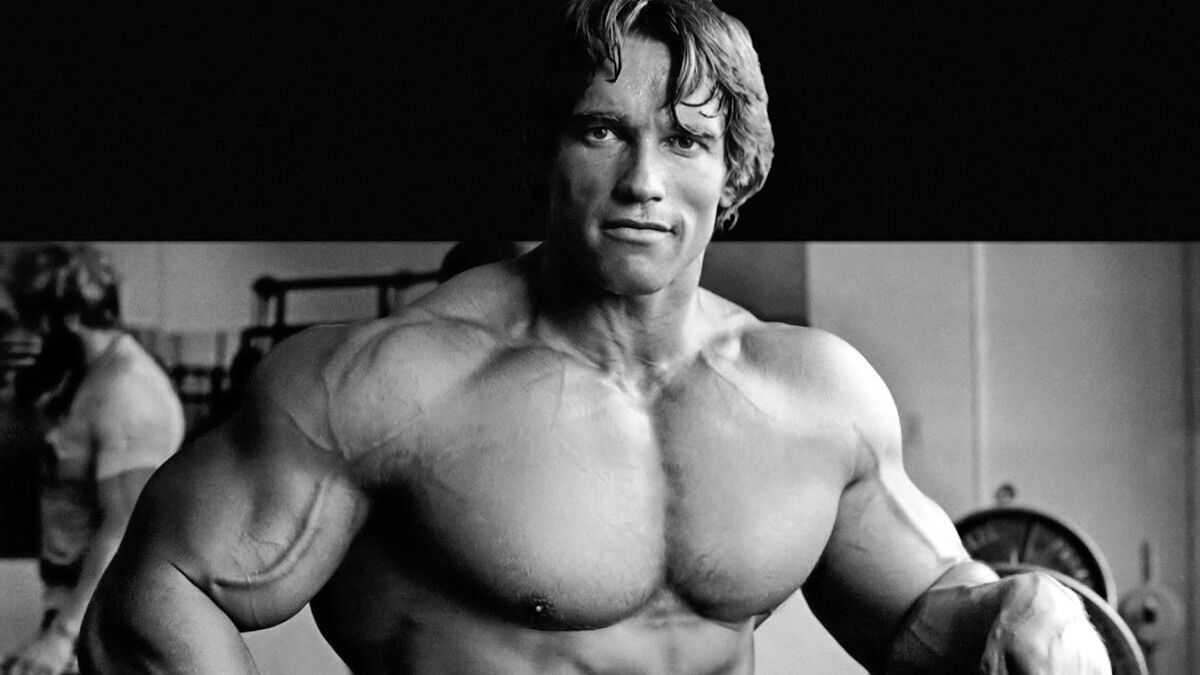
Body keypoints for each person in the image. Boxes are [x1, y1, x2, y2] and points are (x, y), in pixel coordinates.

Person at [80, 1, 1111, 673]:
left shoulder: (816, 397)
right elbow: (159, 593)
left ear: (734, 172)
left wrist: (1021, 608)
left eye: (687, 140)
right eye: (603, 129)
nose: (644, 183)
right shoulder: (391, 383)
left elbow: (923, 613)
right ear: (545, 153)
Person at [1, 244, 186, 675]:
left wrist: (62, 639)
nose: (25, 338)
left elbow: (122, 529)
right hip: (76, 607)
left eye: (31, 324)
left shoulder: (127, 393)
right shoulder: (87, 374)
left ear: (65, 319)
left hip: (108, 623)